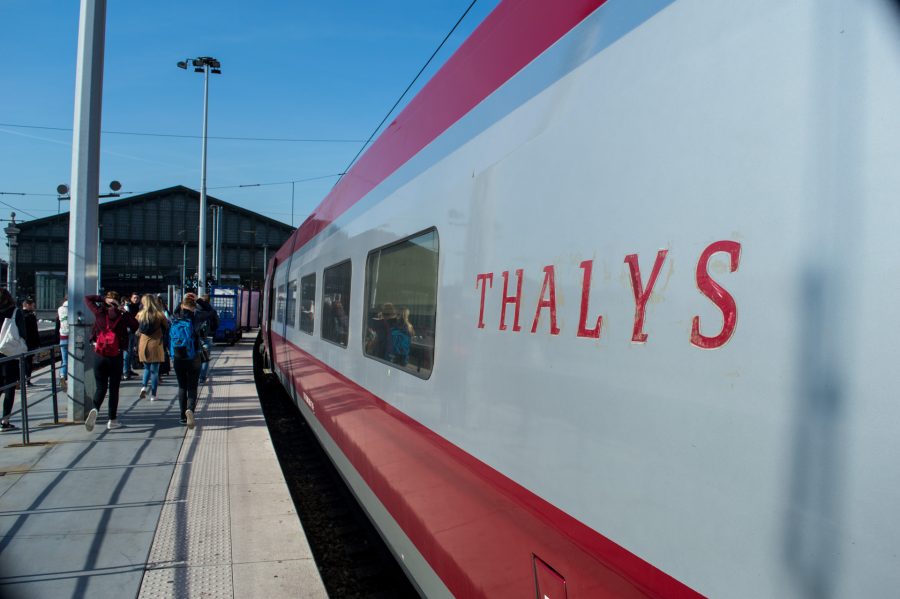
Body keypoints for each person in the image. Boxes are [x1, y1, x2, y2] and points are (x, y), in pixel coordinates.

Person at [84, 291, 139, 431]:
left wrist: (102, 299)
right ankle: (112, 420)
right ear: (118, 302)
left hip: (99, 355)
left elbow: (87, 298)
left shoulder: (99, 313)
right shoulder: (122, 317)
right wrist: (123, 310)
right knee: (114, 389)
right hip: (116, 356)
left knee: (101, 387)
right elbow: (135, 325)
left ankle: (95, 409)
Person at [171, 295, 203, 429]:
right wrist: (199, 300)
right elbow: (211, 312)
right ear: (193, 306)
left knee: (182, 386)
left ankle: (182, 417)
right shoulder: (196, 318)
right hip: (193, 357)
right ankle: (190, 409)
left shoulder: (174, 317)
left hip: (178, 357)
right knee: (192, 386)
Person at [0, 289, 25, 431]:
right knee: (9, 388)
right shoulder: (15, 312)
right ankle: (5, 422)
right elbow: (22, 334)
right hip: (10, 354)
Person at [137, 294, 168, 402]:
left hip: (143, 344)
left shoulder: (140, 314)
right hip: (156, 344)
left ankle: (144, 387)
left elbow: (137, 328)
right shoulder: (159, 315)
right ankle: (153, 395)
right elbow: (166, 326)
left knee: (146, 368)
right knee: (154, 371)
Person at [196, 294, 218, 384]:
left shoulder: (196, 312)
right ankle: (202, 378)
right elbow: (216, 324)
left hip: (196, 338)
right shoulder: (210, 312)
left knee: (196, 358)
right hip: (207, 337)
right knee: (205, 358)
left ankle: (197, 377)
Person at [122, 292, 140, 379]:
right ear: (131, 298)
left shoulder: (138, 307)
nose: (136, 299)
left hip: (134, 331)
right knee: (127, 352)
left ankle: (128, 369)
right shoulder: (127, 307)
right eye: (134, 298)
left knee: (131, 352)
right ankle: (125, 371)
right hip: (129, 332)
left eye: (137, 298)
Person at [21, 298, 40, 386]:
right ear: (27, 305)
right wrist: (38, 343)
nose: (33, 307)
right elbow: (35, 331)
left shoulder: (18, 314)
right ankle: (27, 380)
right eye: (32, 305)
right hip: (30, 342)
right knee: (29, 361)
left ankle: (20, 380)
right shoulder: (31, 316)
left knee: (20, 361)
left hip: (21, 341)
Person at [57, 295, 68, 390]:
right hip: (73, 337)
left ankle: (62, 375)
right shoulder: (74, 307)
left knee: (64, 359)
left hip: (63, 336)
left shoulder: (60, 309)